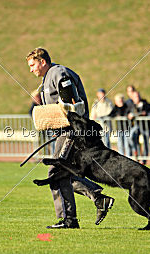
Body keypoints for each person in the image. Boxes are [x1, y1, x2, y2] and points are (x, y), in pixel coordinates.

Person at [26, 48, 114, 228]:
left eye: (32, 65)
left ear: (42, 61)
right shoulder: (49, 76)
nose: (31, 69)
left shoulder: (58, 73)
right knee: (64, 173)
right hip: (65, 130)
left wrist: (67, 125)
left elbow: (73, 104)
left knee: (56, 172)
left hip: (71, 130)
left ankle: (69, 219)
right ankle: (97, 198)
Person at [127, 90, 150, 164]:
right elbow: (127, 113)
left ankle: (143, 160)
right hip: (137, 126)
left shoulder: (145, 104)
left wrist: (138, 114)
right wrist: (129, 115)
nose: (136, 98)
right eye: (135, 97)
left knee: (145, 143)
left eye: (137, 96)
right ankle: (136, 155)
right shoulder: (131, 105)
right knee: (131, 137)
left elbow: (147, 112)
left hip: (146, 127)